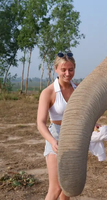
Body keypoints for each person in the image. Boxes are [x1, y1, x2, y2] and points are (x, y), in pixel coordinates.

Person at [37, 52, 76, 200]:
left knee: (67, 188)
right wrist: (52, 141)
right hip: (56, 137)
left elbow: (82, 115)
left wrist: (95, 126)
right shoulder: (48, 92)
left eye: (71, 69)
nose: (67, 73)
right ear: (56, 69)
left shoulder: (79, 90)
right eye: (63, 69)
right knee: (56, 188)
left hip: (74, 137)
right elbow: (40, 123)